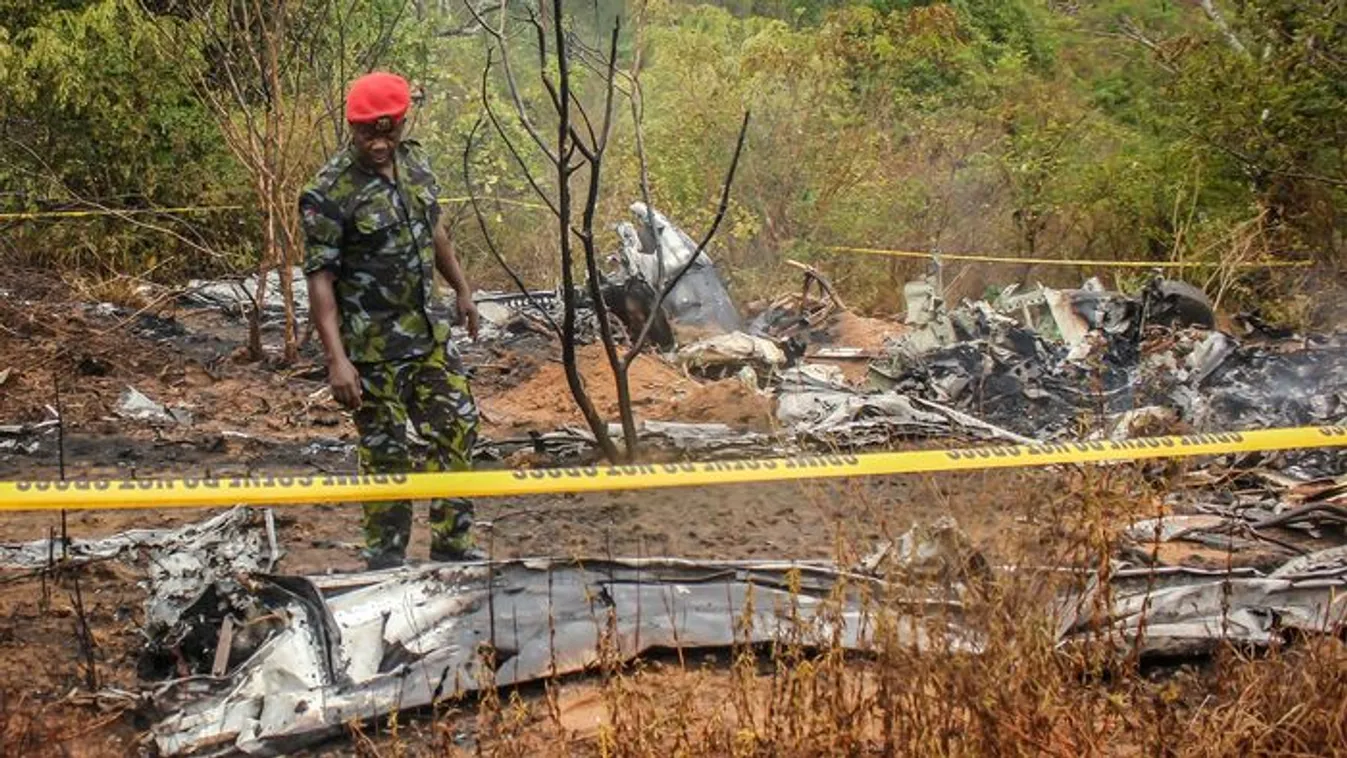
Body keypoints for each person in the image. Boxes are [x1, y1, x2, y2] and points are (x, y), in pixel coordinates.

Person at [299, 71, 484, 569]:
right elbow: (320, 280)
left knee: (459, 430)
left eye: (388, 132)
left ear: (402, 122)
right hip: (372, 352)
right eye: (367, 135)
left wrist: (463, 292)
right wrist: (336, 361)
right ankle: (385, 563)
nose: (379, 144)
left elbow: (436, 232)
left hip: (428, 337)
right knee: (387, 459)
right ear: (351, 127)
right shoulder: (328, 192)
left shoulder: (416, 164)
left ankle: (453, 548)